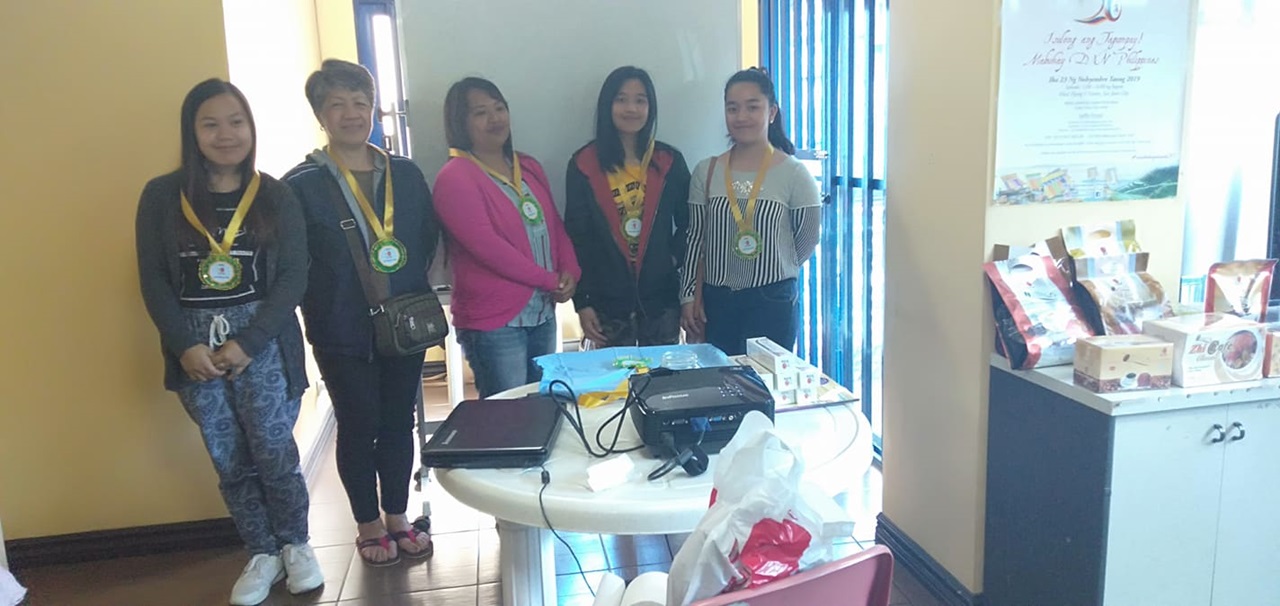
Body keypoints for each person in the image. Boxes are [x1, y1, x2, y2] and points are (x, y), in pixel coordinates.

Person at [135, 78, 323, 605]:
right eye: (211, 124)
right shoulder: (161, 196)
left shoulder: (276, 195)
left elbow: (293, 276)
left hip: (261, 340)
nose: (226, 134)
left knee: (273, 449)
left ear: (251, 128)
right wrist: (183, 346)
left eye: (236, 122)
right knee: (229, 457)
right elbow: (153, 280)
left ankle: (296, 544)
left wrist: (249, 341)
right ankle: (261, 551)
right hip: (194, 346)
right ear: (191, 132)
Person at [282, 59, 437, 566]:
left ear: (373, 108)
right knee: (357, 423)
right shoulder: (300, 185)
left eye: (360, 102)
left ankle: (397, 515)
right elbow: (293, 261)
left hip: (405, 322)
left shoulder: (405, 174)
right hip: (340, 328)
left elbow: (425, 238)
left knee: (398, 421)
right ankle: (367, 524)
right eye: (338, 104)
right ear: (320, 115)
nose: (352, 113)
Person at [433, 77, 581, 397]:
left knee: (541, 407)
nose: (495, 118)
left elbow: (553, 225)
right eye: (481, 112)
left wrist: (570, 270)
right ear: (460, 122)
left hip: (541, 312)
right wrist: (549, 279)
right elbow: (488, 248)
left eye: (499, 108)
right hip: (494, 323)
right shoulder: (454, 177)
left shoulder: (527, 165)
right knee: (507, 416)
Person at [680, 68, 822, 355]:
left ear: (772, 112)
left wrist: (771, 264)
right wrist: (688, 296)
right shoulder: (707, 171)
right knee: (720, 379)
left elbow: (807, 240)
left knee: (764, 381)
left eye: (752, 107)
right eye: (733, 108)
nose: (741, 116)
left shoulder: (795, 174)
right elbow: (695, 238)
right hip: (717, 302)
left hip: (772, 301)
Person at [564, 66, 691, 348]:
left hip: (661, 303)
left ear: (650, 107)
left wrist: (670, 259)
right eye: (621, 99)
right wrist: (582, 302)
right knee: (614, 376)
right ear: (607, 105)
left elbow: (691, 223)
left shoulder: (669, 161)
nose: (631, 108)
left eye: (640, 100)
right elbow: (577, 237)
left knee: (662, 375)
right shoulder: (584, 164)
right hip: (606, 304)